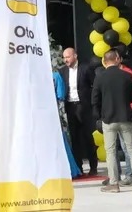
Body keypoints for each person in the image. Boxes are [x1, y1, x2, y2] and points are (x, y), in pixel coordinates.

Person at [92, 50, 132, 192]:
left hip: (108, 118)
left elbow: (94, 99)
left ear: (104, 61)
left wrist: (99, 115)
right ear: (117, 59)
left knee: (110, 152)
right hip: (125, 117)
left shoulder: (100, 77)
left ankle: (114, 184)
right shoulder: (127, 75)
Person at [58, 48, 99, 176]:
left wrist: (92, 102)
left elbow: (95, 85)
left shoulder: (85, 68)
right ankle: (78, 167)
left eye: (68, 57)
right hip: (71, 107)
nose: (65, 60)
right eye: (64, 57)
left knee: (88, 137)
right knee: (75, 138)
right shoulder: (62, 71)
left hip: (84, 106)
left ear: (75, 56)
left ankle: (93, 167)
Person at [110, 46, 132, 186]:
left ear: (119, 59)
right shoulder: (107, 73)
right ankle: (114, 176)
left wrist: (130, 107)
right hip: (111, 115)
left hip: (124, 115)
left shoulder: (128, 73)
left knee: (127, 147)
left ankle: (130, 175)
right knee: (112, 149)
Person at [53, 69, 82, 178]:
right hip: (53, 115)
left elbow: (61, 97)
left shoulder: (54, 76)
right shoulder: (55, 76)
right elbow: (61, 97)